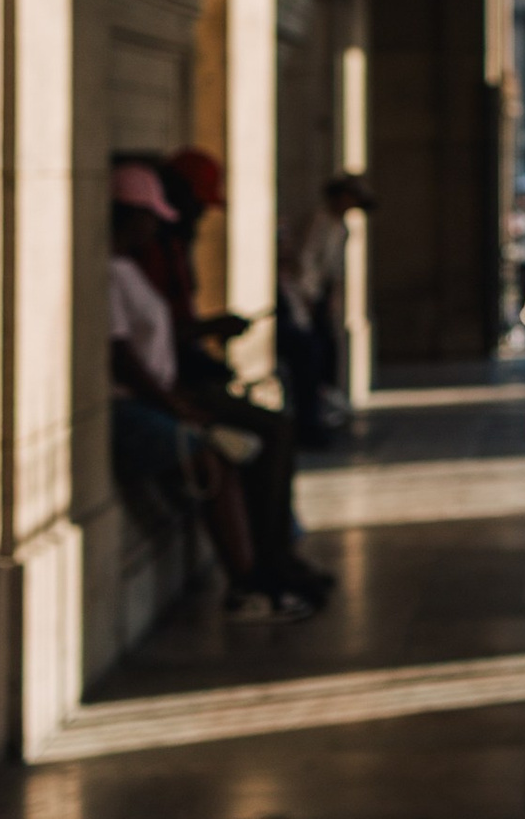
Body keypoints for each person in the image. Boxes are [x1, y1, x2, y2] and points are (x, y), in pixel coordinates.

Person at [143, 145, 329, 616]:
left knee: (273, 426)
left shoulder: (170, 248)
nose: (203, 214)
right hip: (167, 389)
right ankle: (264, 567)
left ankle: (277, 555)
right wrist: (207, 334)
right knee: (269, 431)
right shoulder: (145, 257)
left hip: (180, 378)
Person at [106, 162, 257, 593]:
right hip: (131, 405)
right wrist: (174, 406)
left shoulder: (129, 267)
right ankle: (246, 583)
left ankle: (265, 566)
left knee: (236, 449)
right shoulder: (108, 273)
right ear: (133, 215)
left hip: (155, 397)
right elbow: (122, 357)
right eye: (151, 217)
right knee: (212, 460)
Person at [278, 170, 370, 445]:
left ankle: (324, 411)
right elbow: (304, 263)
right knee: (311, 355)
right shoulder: (318, 221)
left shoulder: (340, 227)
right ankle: (310, 420)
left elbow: (333, 270)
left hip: (318, 297)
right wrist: (308, 298)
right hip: (302, 296)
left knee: (327, 353)